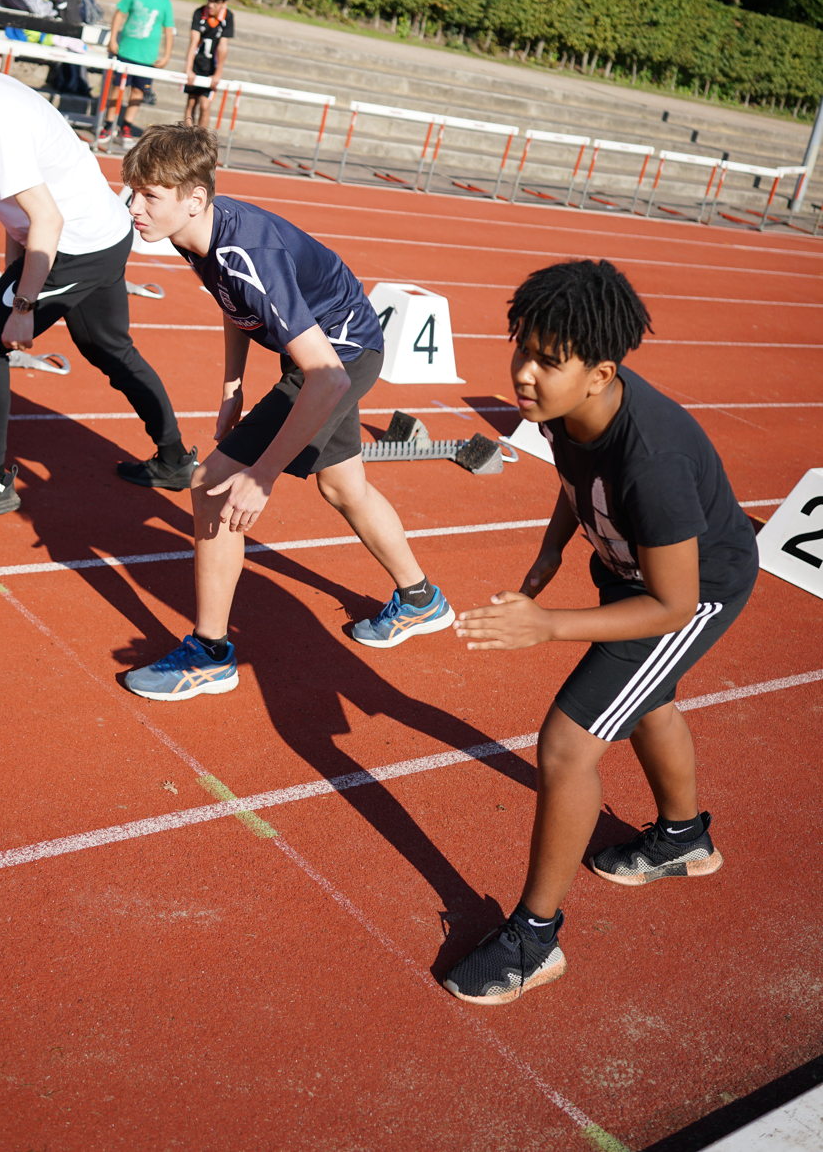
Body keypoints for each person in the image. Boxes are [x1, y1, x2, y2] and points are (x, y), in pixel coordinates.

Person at [443, 259, 758, 1007]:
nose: (524, 373)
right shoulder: (562, 408)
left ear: (601, 374)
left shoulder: (654, 459)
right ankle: (683, 838)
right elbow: (575, 480)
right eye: (521, 349)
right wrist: (551, 553)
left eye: (546, 361)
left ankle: (533, 940)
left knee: (566, 744)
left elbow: (673, 606)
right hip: (630, 571)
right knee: (647, 702)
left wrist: (547, 626)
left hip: (692, 591)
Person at [118, 123, 454, 701]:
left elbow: (328, 377)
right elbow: (233, 299)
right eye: (132, 192)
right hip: (332, 347)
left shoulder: (247, 252)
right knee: (343, 487)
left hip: (337, 356)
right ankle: (421, 599)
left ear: (194, 199)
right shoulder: (192, 232)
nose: (133, 208)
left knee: (212, 486)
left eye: (148, 195)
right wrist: (233, 387)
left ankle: (210, 655)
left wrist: (262, 475)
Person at [0, 0, 196, 519]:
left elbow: (46, 219)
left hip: (76, 243)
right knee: (109, 349)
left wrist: (22, 306)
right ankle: (174, 460)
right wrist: (14, 279)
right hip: (101, 232)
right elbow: (23, 215)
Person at [100, 0, 175, 147]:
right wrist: (113, 39)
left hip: (147, 57)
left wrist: (166, 55)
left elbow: (168, 30)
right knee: (117, 87)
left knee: (138, 91)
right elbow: (119, 14)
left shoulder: (165, 3)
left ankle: (126, 125)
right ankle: (109, 124)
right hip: (126, 50)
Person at [182, 0, 233, 129]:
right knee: (191, 102)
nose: (211, 5)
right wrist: (188, 69)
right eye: (209, 1)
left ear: (223, 3)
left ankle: (202, 138)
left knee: (205, 105)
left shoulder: (228, 17)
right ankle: (187, 136)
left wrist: (218, 73)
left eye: (215, 3)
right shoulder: (199, 13)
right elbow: (193, 42)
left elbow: (223, 47)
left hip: (211, 67)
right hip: (197, 64)